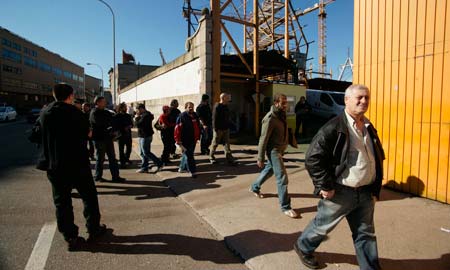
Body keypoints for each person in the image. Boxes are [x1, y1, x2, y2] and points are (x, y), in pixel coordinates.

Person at [294, 84, 385, 270]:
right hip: (340, 191)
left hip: (365, 192)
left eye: (367, 97)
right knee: (322, 226)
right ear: (346, 100)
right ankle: (303, 247)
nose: (364, 101)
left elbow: (376, 157)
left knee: (366, 233)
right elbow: (312, 158)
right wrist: (324, 185)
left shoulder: (368, 126)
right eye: (359, 97)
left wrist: (375, 189)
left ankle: (370, 267)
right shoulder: (333, 126)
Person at [36, 83, 106, 251]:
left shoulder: (45, 113)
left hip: (54, 164)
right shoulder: (75, 112)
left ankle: (71, 237)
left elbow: (35, 134)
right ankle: (93, 228)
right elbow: (88, 133)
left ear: (54, 95)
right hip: (76, 163)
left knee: (62, 202)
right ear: (70, 96)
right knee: (88, 196)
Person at [249, 93, 299, 219]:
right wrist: (260, 157)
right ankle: (285, 207)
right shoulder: (270, 118)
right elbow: (263, 138)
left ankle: (254, 187)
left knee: (269, 170)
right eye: (283, 102)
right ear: (276, 103)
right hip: (273, 151)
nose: (285, 105)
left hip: (280, 149)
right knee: (282, 177)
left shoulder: (281, 115)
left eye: (286, 102)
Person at [90, 96, 125, 183]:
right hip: (100, 139)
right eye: (103, 101)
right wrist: (109, 126)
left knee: (112, 158)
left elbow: (112, 120)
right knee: (100, 158)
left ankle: (115, 176)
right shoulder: (94, 112)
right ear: (97, 102)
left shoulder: (106, 112)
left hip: (108, 138)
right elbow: (101, 124)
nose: (105, 103)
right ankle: (98, 176)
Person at [174, 102, 201, 178]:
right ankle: (193, 171)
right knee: (190, 156)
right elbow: (177, 129)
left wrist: (199, 136)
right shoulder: (182, 116)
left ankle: (182, 168)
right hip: (185, 140)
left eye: (192, 107)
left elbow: (198, 126)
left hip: (194, 139)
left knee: (187, 154)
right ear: (185, 107)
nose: (191, 108)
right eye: (189, 107)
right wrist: (178, 140)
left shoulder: (195, 115)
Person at [135, 103, 163, 173]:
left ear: (141, 109)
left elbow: (138, 124)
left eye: (138, 110)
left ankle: (159, 163)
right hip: (142, 136)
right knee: (142, 153)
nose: (137, 111)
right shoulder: (145, 115)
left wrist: (137, 117)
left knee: (146, 152)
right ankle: (144, 167)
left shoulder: (146, 115)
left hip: (146, 136)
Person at [209, 92, 236, 165]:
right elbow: (214, 118)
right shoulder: (217, 106)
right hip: (218, 129)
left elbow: (228, 117)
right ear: (223, 98)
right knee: (215, 144)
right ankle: (211, 157)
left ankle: (229, 159)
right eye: (227, 97)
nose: (228, 99)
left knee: (227, 144)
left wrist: (230, 124)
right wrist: (215, 128)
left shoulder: (226, 106)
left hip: (226, 128)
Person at [114, 103, 133, 168]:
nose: (126, 108)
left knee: (129, 148)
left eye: (126, 107)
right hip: (121, 135)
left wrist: (130, 126)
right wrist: (123, 128)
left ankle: (126, 158)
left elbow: (131, 123)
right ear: (121, 108)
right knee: (121, 150)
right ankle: (122, 162)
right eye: (125, 107)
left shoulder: (128, 115)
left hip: (128, 134)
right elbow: (115, 126)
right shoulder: (117, 116)